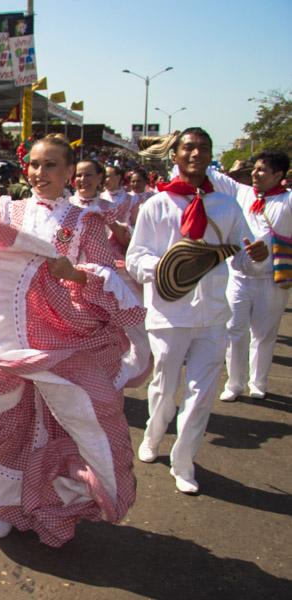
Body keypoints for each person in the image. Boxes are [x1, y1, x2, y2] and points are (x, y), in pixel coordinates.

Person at [0, 134, 144, 547]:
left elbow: (107, 272)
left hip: (63, 338)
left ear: (68, 172)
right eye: (35, 165)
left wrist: (75, 273)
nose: (40, 174)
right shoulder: (11, 211)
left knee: (70, 425)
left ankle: (52, 507)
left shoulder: (85, 221)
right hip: (6, 340)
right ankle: (4, 507)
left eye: (51, 166)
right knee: (11, 426)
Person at [126, 127, 269, 494]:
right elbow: (135, 258)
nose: (195, 153)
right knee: (164, 387)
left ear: (210, 156)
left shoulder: (226, 206)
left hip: (213, 315)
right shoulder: (156, 205)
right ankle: (154, 436)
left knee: (202, 393)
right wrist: (170, 266)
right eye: (188, 148)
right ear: (175, 156)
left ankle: (183, 460)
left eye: (203, 148)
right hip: (169, 313)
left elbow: (242, 259)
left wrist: (256, 258)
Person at [204, 151, 292, 402]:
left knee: (264, 334)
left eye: (262, 170)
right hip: (239, 276)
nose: (255, 173)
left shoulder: (288, 201)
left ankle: (258, 382)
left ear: (278, 175)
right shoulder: (242, 192)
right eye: (254, 169)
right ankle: (234, 384)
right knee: (234, 330)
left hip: (271, 280)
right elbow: (211, 174)